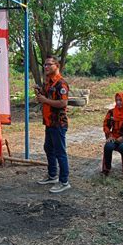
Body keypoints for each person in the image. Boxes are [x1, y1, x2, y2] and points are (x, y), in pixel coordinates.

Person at [35, 56, 71, 193]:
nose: (46, 67)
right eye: (45, 65)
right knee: (48, 148)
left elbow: (63, 103)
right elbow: (44, 99)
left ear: (57, 65)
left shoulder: (61, 84)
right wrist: (39, 93)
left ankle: (64, 181)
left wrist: (45, 100)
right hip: (49, 122)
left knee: (60, 152)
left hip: (58, 123)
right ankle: (52, 175)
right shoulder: (49, 83)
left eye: (49, 64)